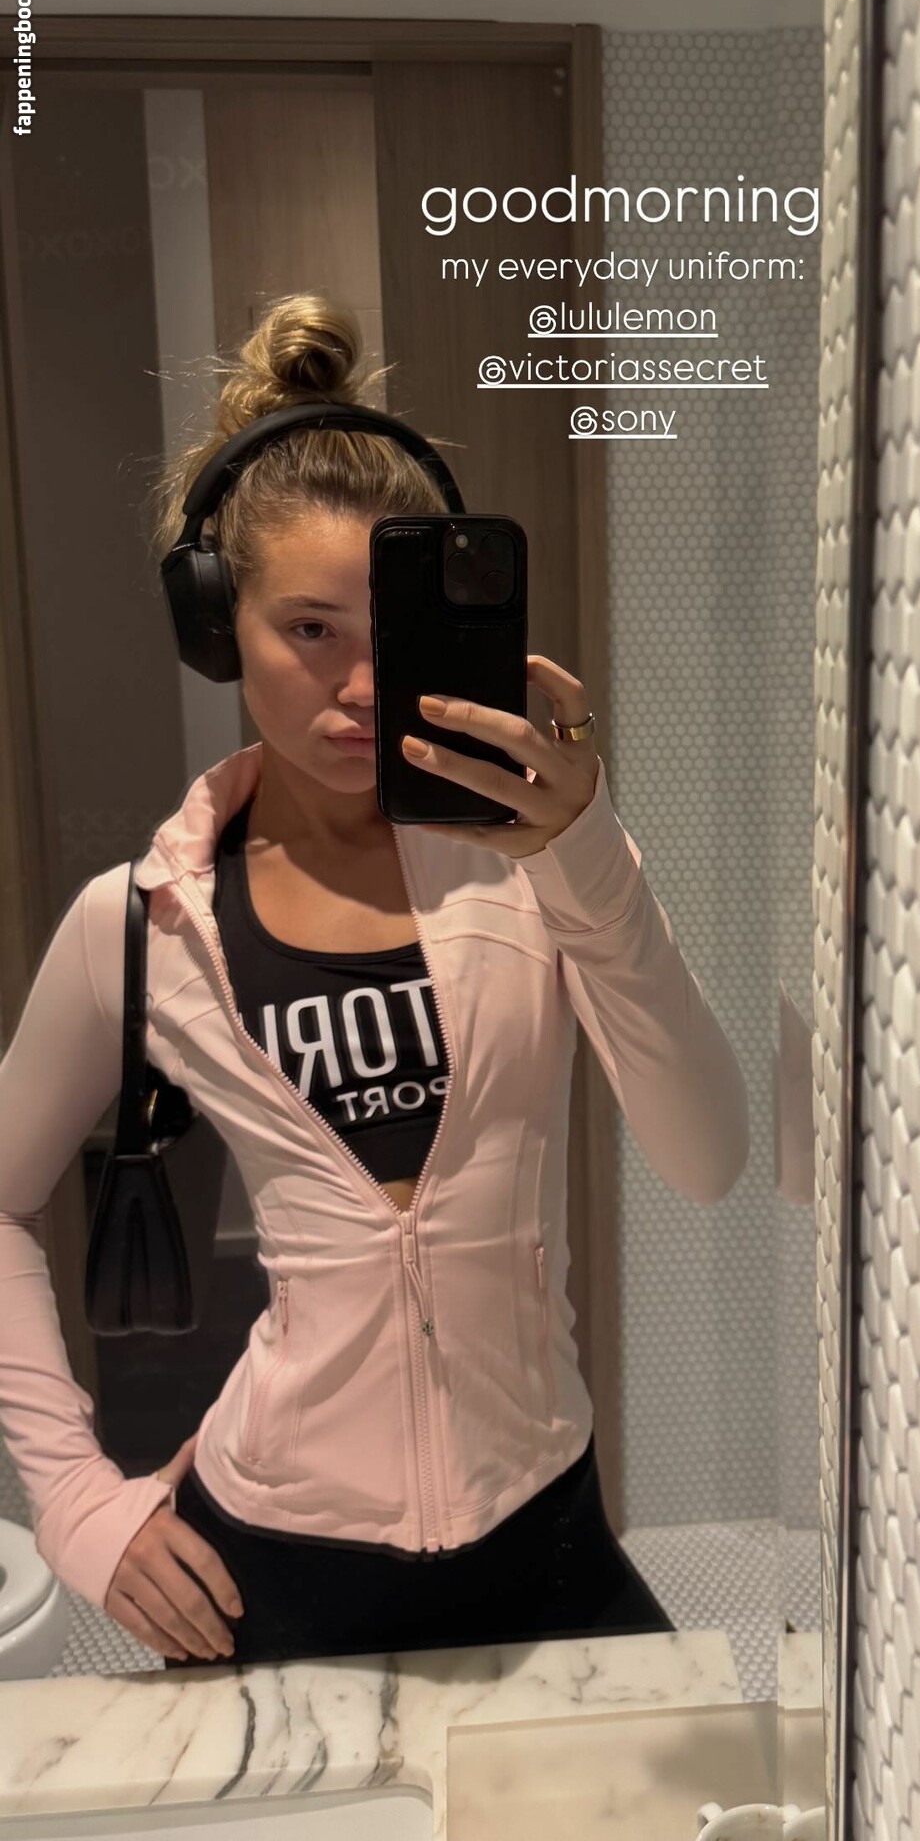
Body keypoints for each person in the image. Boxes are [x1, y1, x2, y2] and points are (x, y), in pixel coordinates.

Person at [0, 292, 750, 1671]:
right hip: (270, 1546)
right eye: (309, 629)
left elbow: (709, 1157)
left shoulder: (539, 872)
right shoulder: (141, 925)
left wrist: (584, 849)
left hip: (543, 1522)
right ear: (218, 629)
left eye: (392, 629)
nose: (359, 687)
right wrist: (73, 1503)